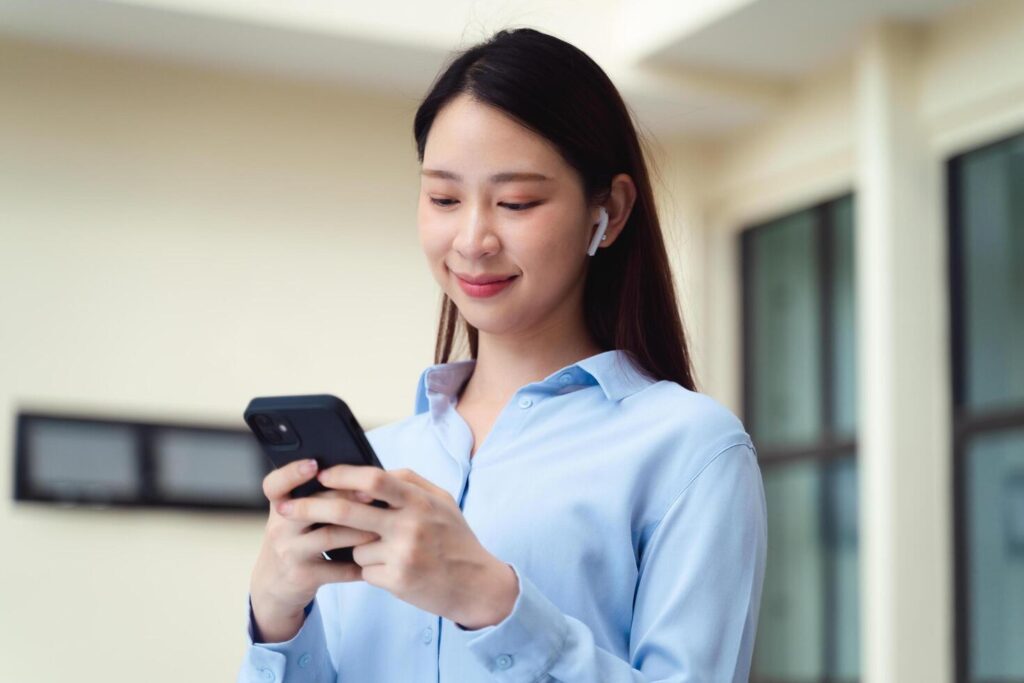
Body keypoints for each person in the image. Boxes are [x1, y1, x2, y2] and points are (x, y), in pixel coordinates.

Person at [237, 26, 767, 682]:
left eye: (516, 201)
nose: (472, 238)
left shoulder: (689, 449)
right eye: (443, 198)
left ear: (611, 209)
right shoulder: (386, 462)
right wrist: (277, 619)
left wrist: (491, 601)